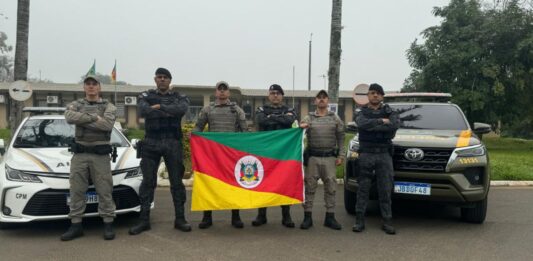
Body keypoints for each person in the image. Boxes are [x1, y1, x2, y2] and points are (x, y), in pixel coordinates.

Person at [129, 68, 191, 235]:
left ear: (170, 80)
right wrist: (167, 110)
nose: (162, 79)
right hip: (151, 142)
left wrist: (159, 107)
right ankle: (144, 220)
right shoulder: (145, 96)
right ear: (155, 79)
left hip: (173, 142)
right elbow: (143, 111)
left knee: (176, 183)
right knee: (148, 182)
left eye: (165, 77)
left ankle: (180, 219)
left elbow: (181, 110)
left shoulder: (179, 97)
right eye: (159, 77)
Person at [61, 75, 117, 241]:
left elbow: (107, 125)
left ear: (99, 87)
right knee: (77, 190)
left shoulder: (109, 106)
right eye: (88, 84)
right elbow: (69, 117)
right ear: (84, 87)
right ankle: (76, 225)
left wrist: (82, 119)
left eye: (94, 84)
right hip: (80, 154)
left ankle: (108, 223)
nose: (91, 87)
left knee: (104, 190)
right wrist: (93, 117)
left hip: (100, 155)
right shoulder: (76, 104)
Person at [193, 81, 248, 229]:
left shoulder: (237, 110)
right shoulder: (207, 110)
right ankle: (207, 216)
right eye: (220, 89)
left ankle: (236, 217)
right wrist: (193, 137)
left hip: (232, 155)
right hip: (212, 155)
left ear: (228, 93)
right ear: (216, 92)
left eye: (225, 89)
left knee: (234, 185)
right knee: (208, 184)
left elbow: (245, 132)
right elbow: (198, 129)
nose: (222, 92)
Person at [353, 83, 400, 235]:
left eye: (378, 93)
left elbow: (393, 126)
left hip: (383, 154)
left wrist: (373, 125)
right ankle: (359, 220)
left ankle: (387, 221)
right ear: (368, 95)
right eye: (372, 93)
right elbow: (362, 124)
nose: (375, 95)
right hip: (366, 153)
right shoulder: (361, 111)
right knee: (363, 188)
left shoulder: (390, 111)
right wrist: (381, 121)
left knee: (385, 188)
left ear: (382, 96)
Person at [252, 84, 297, 228]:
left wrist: (272, 117)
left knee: (284, 183)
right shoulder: (261, 110)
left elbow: (289, 121)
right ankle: (261, 215)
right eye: (272, 93)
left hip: (284, 154)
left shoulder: (290, 109)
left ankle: (286, 215)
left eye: (278, 93)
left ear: (282, 96)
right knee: (263, 183)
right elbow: (262, 121)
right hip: (265, 153)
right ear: (268, 96)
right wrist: (280, 118)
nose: (275, 95)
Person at [299, 90, 345, 230]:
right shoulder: (309, 118)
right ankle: (307, 217)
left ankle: (330, 217)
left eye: (324, 98)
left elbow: (341, 137)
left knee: (331, 187)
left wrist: (341, 155)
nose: (321, 100)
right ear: (315, 101)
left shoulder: (334, 118)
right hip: (313, 158)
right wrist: (302, 126)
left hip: (330, 158)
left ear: (328, 101)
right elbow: (300, 128)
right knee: (309, 187)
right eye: (319, 98)